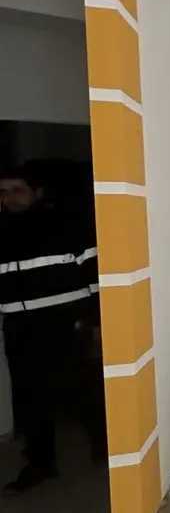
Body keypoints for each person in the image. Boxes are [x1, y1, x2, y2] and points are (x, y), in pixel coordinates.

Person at [0, 164, 105, 494]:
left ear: (37, 192)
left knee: (84, 389)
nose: (10, 198)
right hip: (19, 326)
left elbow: (94, 273)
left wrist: (96, 321)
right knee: (29, 397)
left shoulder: (66, 225)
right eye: (3, 192)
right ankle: (40, 462)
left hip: (66, 322)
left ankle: (105, 448)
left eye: (18, 190)